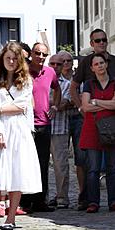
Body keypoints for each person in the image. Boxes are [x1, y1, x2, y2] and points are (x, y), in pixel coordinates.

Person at [0, 42, 42, 230]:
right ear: (2, 59)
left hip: (17, 130)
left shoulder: (26, 80)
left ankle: (11, 217)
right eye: (8, 58)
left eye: (15, 58)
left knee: (16, 171)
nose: (11, 61)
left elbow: (22, 106)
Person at [71, 29, 115, 210]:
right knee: (93, 168)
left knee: (113, 167)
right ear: (92, 67)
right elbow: (86, 106)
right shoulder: (89, 83)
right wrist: (102, 104)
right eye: (97, 64)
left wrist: (97, 102)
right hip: (92, 126)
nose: (100, 66)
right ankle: (92, 201)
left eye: (103, 63)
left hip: (112, 127)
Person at [20, 42, 60, 213]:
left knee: (43, 164)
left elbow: (57, 89)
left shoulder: (50, 72)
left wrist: (55, 106)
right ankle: (24, 201)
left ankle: (40, 201)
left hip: (44, 124)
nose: (41, 57)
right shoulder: (23, 71)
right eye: (38, 53)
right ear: (31, 54)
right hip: (26, 124)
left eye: (44, 54)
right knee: (25, 164)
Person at [48, 52, 74, 209]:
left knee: (61, 165)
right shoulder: (41, 80)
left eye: (61, 63)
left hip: (59, 127)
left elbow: (64, 102)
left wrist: (48, 101)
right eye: (54, 63)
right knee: (41, 164)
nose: (57, 66)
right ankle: (41, 197)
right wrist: (53, 103)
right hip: (41, 127)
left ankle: (62, 197)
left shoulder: (67, 83)